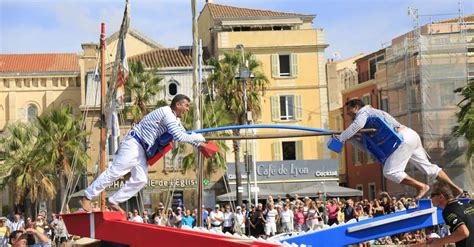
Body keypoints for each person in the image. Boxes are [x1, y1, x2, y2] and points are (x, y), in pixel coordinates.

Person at [81, 94, 206, 212]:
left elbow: (185, 134)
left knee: (140, 179)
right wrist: (197, 138)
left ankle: (114, 200)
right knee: (115, 172)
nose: (188, 109)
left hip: (142, 150)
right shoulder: (167, 113)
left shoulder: (175, 120)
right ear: (178, 105)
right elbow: (179, 136)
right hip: (134, 143)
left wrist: (200, 145)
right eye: (186, 106)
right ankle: (87, 196)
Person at [339, 99, 462, 199]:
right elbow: (366, 147)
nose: (350, 117)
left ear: (356, 108)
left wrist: (341, 137)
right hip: (410, 135)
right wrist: (350, 138)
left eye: (350, 113)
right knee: (429, 168)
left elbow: (356, 126)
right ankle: (456, 188)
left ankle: (421, 186)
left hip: (403, 138)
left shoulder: (364, 113)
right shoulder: (368, 122)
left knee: (389, 171)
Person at [427, 181, 473, 247]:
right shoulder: (467, 205)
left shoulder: (448, 210)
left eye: (432, 195)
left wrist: (439, 241)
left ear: (441, 197)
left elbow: (463, 233)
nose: (430, 198)